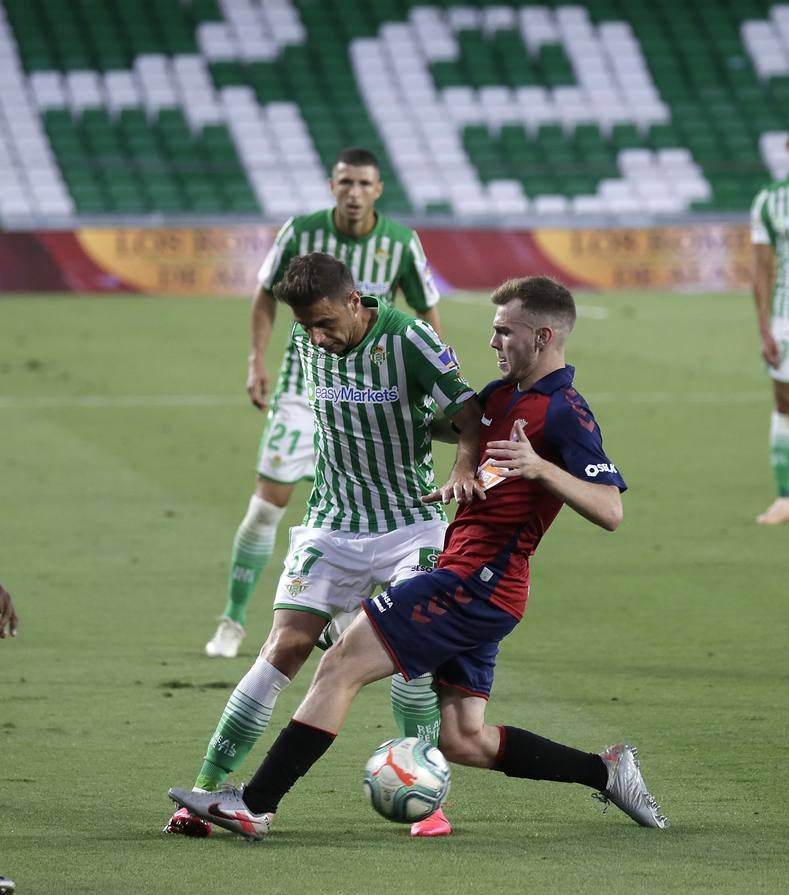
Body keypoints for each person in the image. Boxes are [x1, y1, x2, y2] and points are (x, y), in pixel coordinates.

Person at [170, 275, 668, 840]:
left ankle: (254, 805)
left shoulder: (564, 411)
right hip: (485, 585)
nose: (493, 342)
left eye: (504, 331)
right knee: (462, 738)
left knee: (340, 665)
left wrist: (542, 469)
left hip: (476, 583)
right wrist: (449, 464)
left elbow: (610, 509)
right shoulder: (502, 397)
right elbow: (464, 436)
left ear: (543, 336)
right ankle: (604, 772)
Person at [166, 253, 480, 839]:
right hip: (332, 524)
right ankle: (206, 790)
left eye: (325, 322)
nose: (316, 335)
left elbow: (468, 413)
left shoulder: (409, 338)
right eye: (306, 325)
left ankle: (428, 804)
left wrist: (463, 461)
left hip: (410, 524)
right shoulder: (308, 339)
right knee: (283, 646)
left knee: (413, 663)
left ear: (356, 301)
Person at [206, 146, 442, 659]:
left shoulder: (402, 242)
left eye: (363, 184)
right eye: (345, 183)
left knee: (364, 513)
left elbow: (426, 311)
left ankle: (341, 614)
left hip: (371, 394)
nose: (353, 193)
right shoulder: (300, 232)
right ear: (332, 186)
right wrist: (255, 360)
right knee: (267, 505)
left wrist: (434, 379)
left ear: (378, 190)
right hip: (302, 388)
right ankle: (232, 617)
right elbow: (265, 293)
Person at [750, 176, 789, 524]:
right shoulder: (771, 200)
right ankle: (786, 497)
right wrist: (765, 329)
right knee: (785, 402)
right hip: (786, 319)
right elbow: (761, 270)